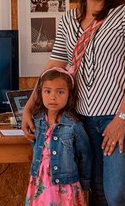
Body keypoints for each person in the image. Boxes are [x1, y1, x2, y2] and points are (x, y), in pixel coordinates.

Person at [22, 0, 125, 206]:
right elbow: (54, 66)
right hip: (83, 119)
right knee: (96, 194)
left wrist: (121, 118)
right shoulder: (69, 19)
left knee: (117, 194)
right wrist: (29, 106)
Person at [25, 67, 92, 206]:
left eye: (60, 92)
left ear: (69, 95)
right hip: (40, 182)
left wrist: (85, 183)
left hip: (65, 184)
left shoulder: (74, 125)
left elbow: (85, 156)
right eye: (47, 91)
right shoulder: (37, 122)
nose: (53, 97)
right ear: (40, 93)